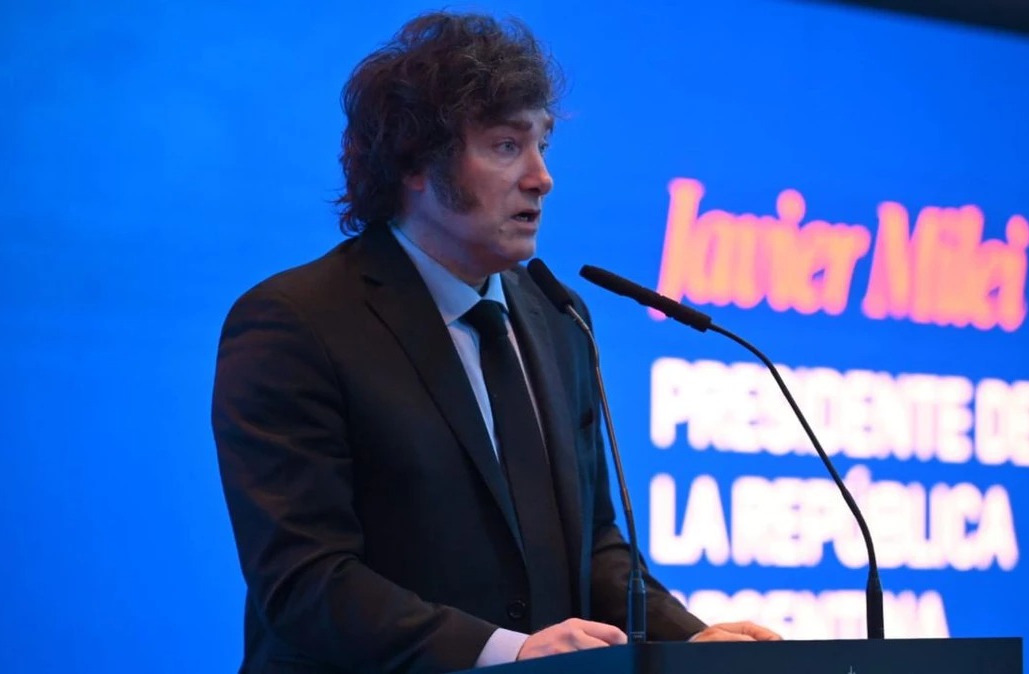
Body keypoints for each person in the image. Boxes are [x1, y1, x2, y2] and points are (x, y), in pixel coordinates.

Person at [211, 11, 781, 673]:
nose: (541, 177)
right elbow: (306, 581)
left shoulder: (557, 318)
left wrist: (690, 641)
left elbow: (593, 544)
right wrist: (505, 653)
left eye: (543, 145)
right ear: (416, 163)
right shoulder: (296, 323)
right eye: (507, 146)